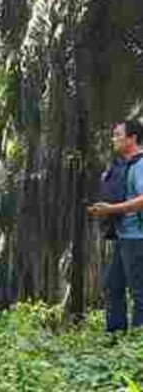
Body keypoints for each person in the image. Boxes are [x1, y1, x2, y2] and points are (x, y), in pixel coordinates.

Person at [89, 120, 143, 332]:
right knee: (112, 286)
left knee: (139, 292)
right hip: (124, 237)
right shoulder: (124, 164)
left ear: (132, 138)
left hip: (138, 238)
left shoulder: (140, 165)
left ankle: (138, 347)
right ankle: (115, 339)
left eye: (118, 135)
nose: (114, 139)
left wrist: (111, 209)